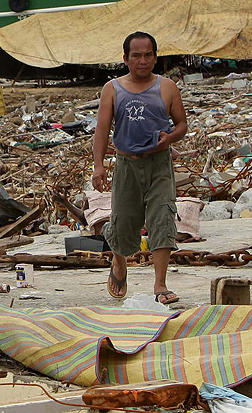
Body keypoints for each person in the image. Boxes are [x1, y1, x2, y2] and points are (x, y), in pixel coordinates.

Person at [92, 31, 187, 306]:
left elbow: (181, 124)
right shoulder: (113, 89)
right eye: (136, 55)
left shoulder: (167, 87)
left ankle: (160, 283)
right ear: (125, 59)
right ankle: (119, 263)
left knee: (162, 217)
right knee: (123, 222)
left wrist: (170, 138)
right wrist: (98, 166)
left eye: (148, 55)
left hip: (159, 166)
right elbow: (101, 129)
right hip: (125, 166)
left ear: (156, 57)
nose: (143, 61)